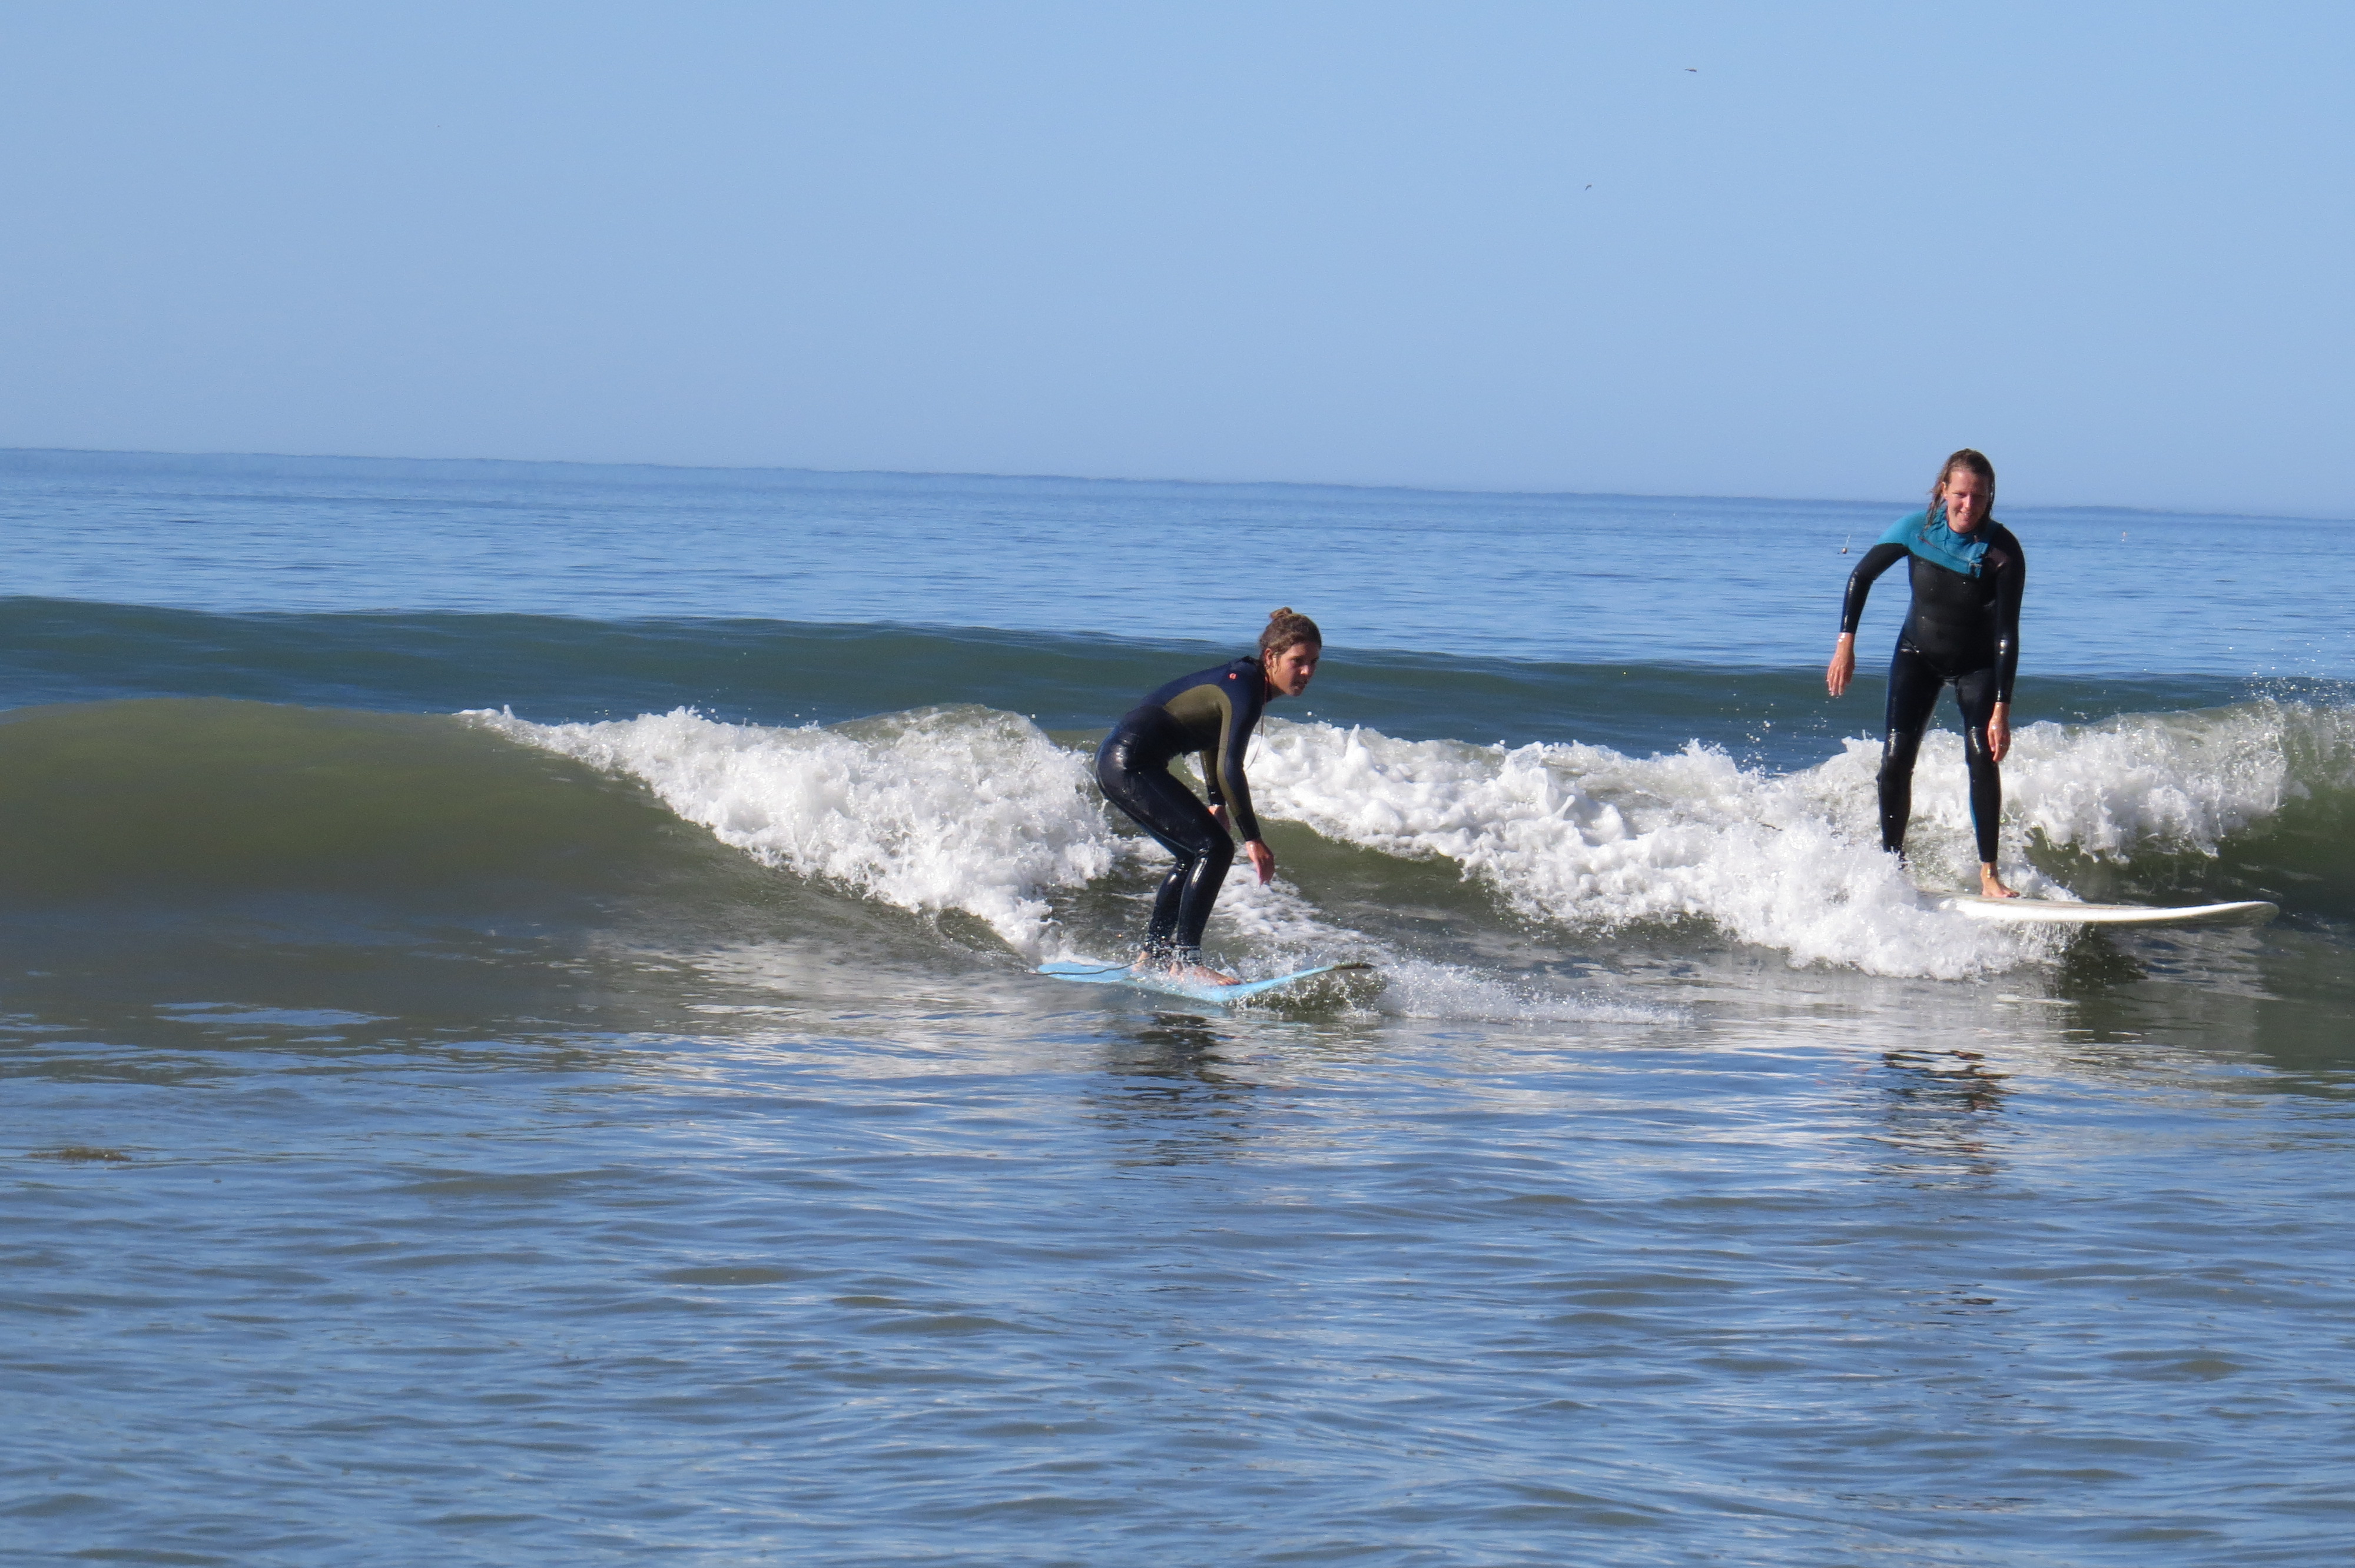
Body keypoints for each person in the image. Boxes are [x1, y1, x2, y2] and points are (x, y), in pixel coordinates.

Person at [1827, 449, 2026, 898]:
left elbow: (2007, 634)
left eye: (1979, 496)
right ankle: (1893, 868)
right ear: (1944, 490)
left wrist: (2002, 708)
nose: (1968, 505)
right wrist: (1846, 644)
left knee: (1982, 756)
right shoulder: (1916, 530)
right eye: (1961, 494)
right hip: (1917, 653)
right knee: (1896, 761)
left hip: (1977, 665)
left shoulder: (2002, 551)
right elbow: (1861, 577)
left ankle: (1989, 875)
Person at [1096, 609, 1322, 983]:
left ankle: (1152, 956)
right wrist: (1253, 838)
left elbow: (1211, 741)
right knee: (1215, 849)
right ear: (1272, 658)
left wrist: (1217, 801)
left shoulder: (1246, 682)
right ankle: (1186, 963)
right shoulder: (1246, 687)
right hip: (1130, 764)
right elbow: (1231, 766)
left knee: (1193, 854)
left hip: (1123, 762)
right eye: (1298, 662)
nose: (1307, 673)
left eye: (1314, 663)